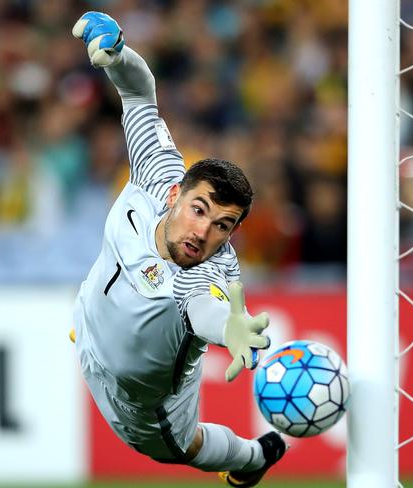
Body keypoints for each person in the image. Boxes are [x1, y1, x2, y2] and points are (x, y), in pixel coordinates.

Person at [71, 12, 287, 487]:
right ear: (175, 195)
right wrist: (118, 53)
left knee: (184, 450)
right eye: (199, 209)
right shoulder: (156, 174)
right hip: (86, 327)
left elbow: (207, 311)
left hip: (143, 404)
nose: (203, 232)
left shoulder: (210, 276)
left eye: (223, 225)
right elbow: (138, 93)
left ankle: (252, 458)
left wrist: (230, 329)